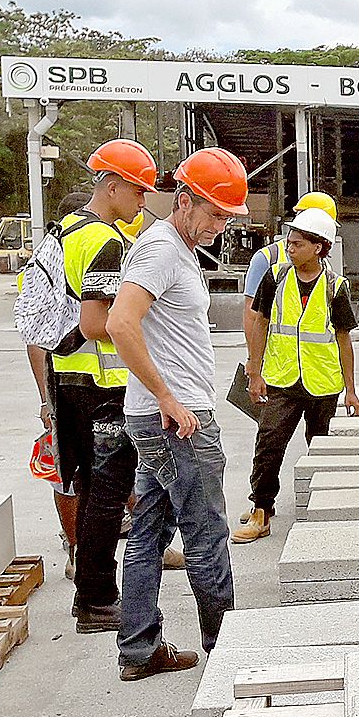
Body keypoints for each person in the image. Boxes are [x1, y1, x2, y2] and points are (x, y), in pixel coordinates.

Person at [107, 147, 245, 681]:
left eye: (226, 218)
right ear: (183, 200)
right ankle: (226, 649)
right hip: (176, 420)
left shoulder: (178, 249)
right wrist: (167, 396)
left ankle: (139, 649)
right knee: (207, 532)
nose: (219, 226)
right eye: (213, 213)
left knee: (148, 531)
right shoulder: (160, 250)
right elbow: (120, 324)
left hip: (163, 417)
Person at [52, 140, 155, 633]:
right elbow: (97, 323)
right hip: (104, 385)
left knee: (95, 490)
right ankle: (96, 598)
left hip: (70, 378)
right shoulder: (105, 241)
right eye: (137, 192)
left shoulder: (65, 230)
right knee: (106, 496)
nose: (142, 201)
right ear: (111, 186)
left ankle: (88, 597)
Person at [233, 207, 359, 543]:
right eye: (288, 244)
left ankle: (320, 507)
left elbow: (343, 338)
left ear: (318, 247)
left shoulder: (335, 287)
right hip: (282, 379)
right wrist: (255, 370)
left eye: (296, 244)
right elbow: (260, 323)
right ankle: (261, 510)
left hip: (322, 382)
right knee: (269, 443)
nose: (289, 249)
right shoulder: (275, 278)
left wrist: (351, 390)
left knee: (319, 447)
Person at [29, 189, 91, 580]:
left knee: (118, 469)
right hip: (67, 390)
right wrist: (47, 402)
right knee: (67, 473)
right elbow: (36, 340)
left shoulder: (89, 261)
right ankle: (75, 551)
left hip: (101, 387)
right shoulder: (48, 269)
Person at [241, 191, 336, 338]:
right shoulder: (267, 258)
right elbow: (251, 314)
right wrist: (254, 358)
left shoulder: (324, 267)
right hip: (276, 356)